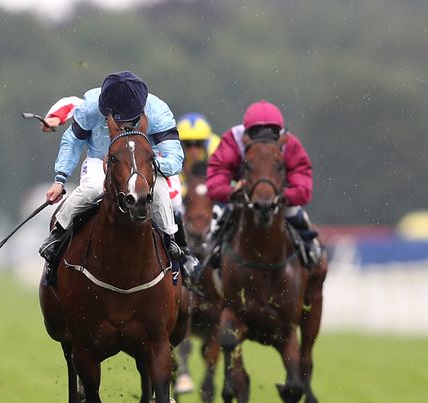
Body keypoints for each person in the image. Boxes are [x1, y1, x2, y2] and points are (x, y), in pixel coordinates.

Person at [38, 71, 188, 271]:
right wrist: (60, 180)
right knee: (92, 189)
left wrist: (154, 165)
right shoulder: (91, 105)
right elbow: (72, 141)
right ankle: (57, 236)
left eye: (125, 119)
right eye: (114, 119)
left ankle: (171, 241)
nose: (120, 125)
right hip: (100, 160)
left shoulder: (158, 111)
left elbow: (175, 157)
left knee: (160, 193)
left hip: (144, 165)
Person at [204, 99, 321, 268]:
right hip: (242, 195)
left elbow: (304, 189)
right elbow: (215, 182)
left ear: (280, 135)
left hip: (280, 198)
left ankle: (312, 257)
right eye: (257, 133)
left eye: (271, 133)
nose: (264, 137)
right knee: (219, 221)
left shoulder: (290, 144)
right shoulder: (233, 140)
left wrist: (284, 196)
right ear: (246, 135)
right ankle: (207, 262)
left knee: (298, 217)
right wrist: (232, 191)